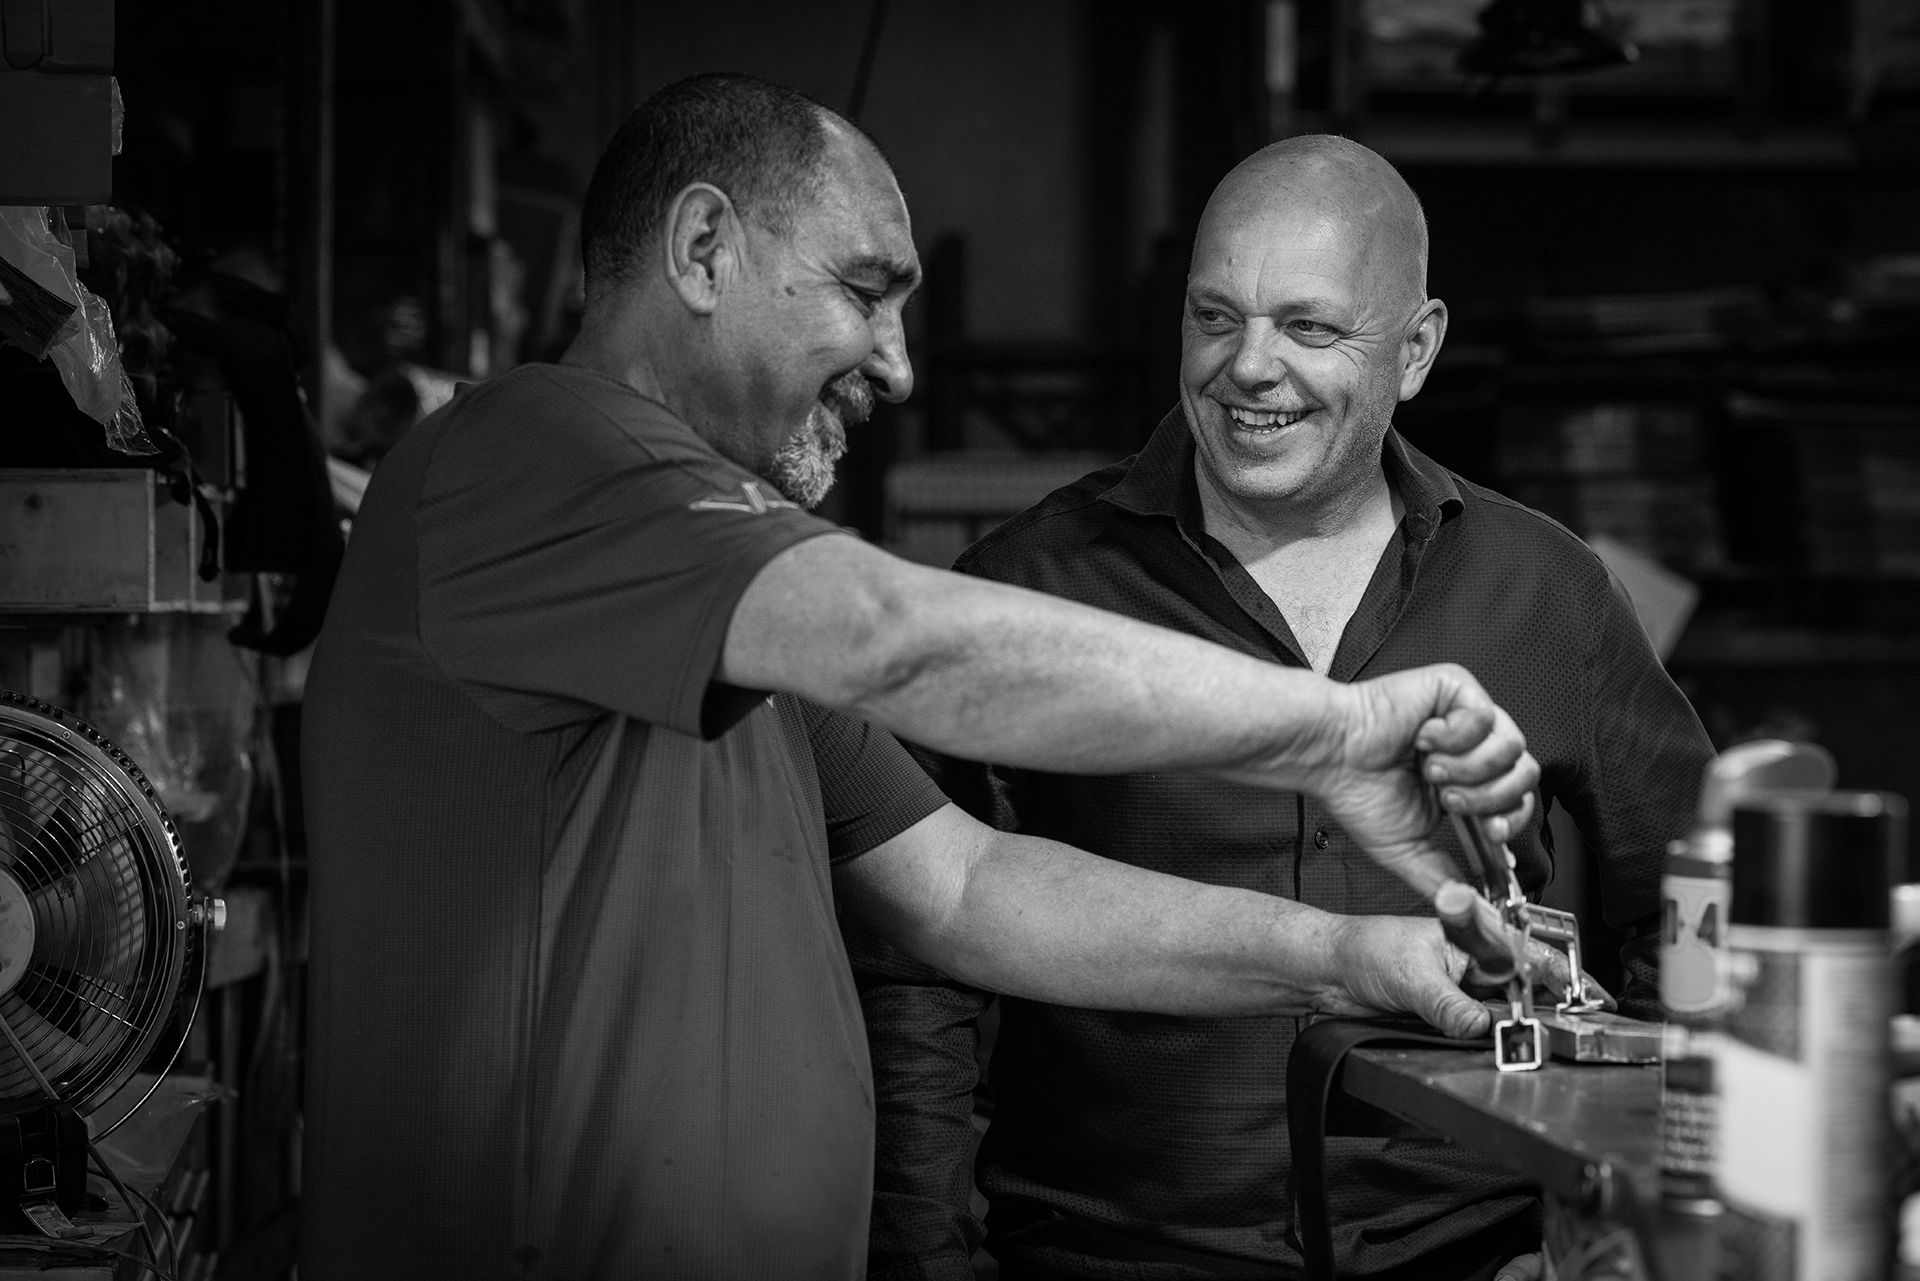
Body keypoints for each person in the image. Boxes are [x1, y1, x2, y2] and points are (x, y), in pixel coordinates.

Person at [298, 80, 1546, 1281]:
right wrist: (1331, 732)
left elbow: (966, 886)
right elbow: (898, 633)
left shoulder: (726, 596)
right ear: (701, 250)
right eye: (863, 291)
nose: (897, 366)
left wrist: (1345, 957)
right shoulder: (526, 457)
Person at [859, 136, 1717, 1281]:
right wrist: (929, 1261)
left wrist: (1635, 1210)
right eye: (1216, 318)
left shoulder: (1547, 594)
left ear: (1416, 350)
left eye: (1309, 329)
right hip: (1116, 1259)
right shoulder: (1029, 590)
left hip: (1472, 1255)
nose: (1248, 367)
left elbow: (1703, 899)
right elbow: (919, 977)